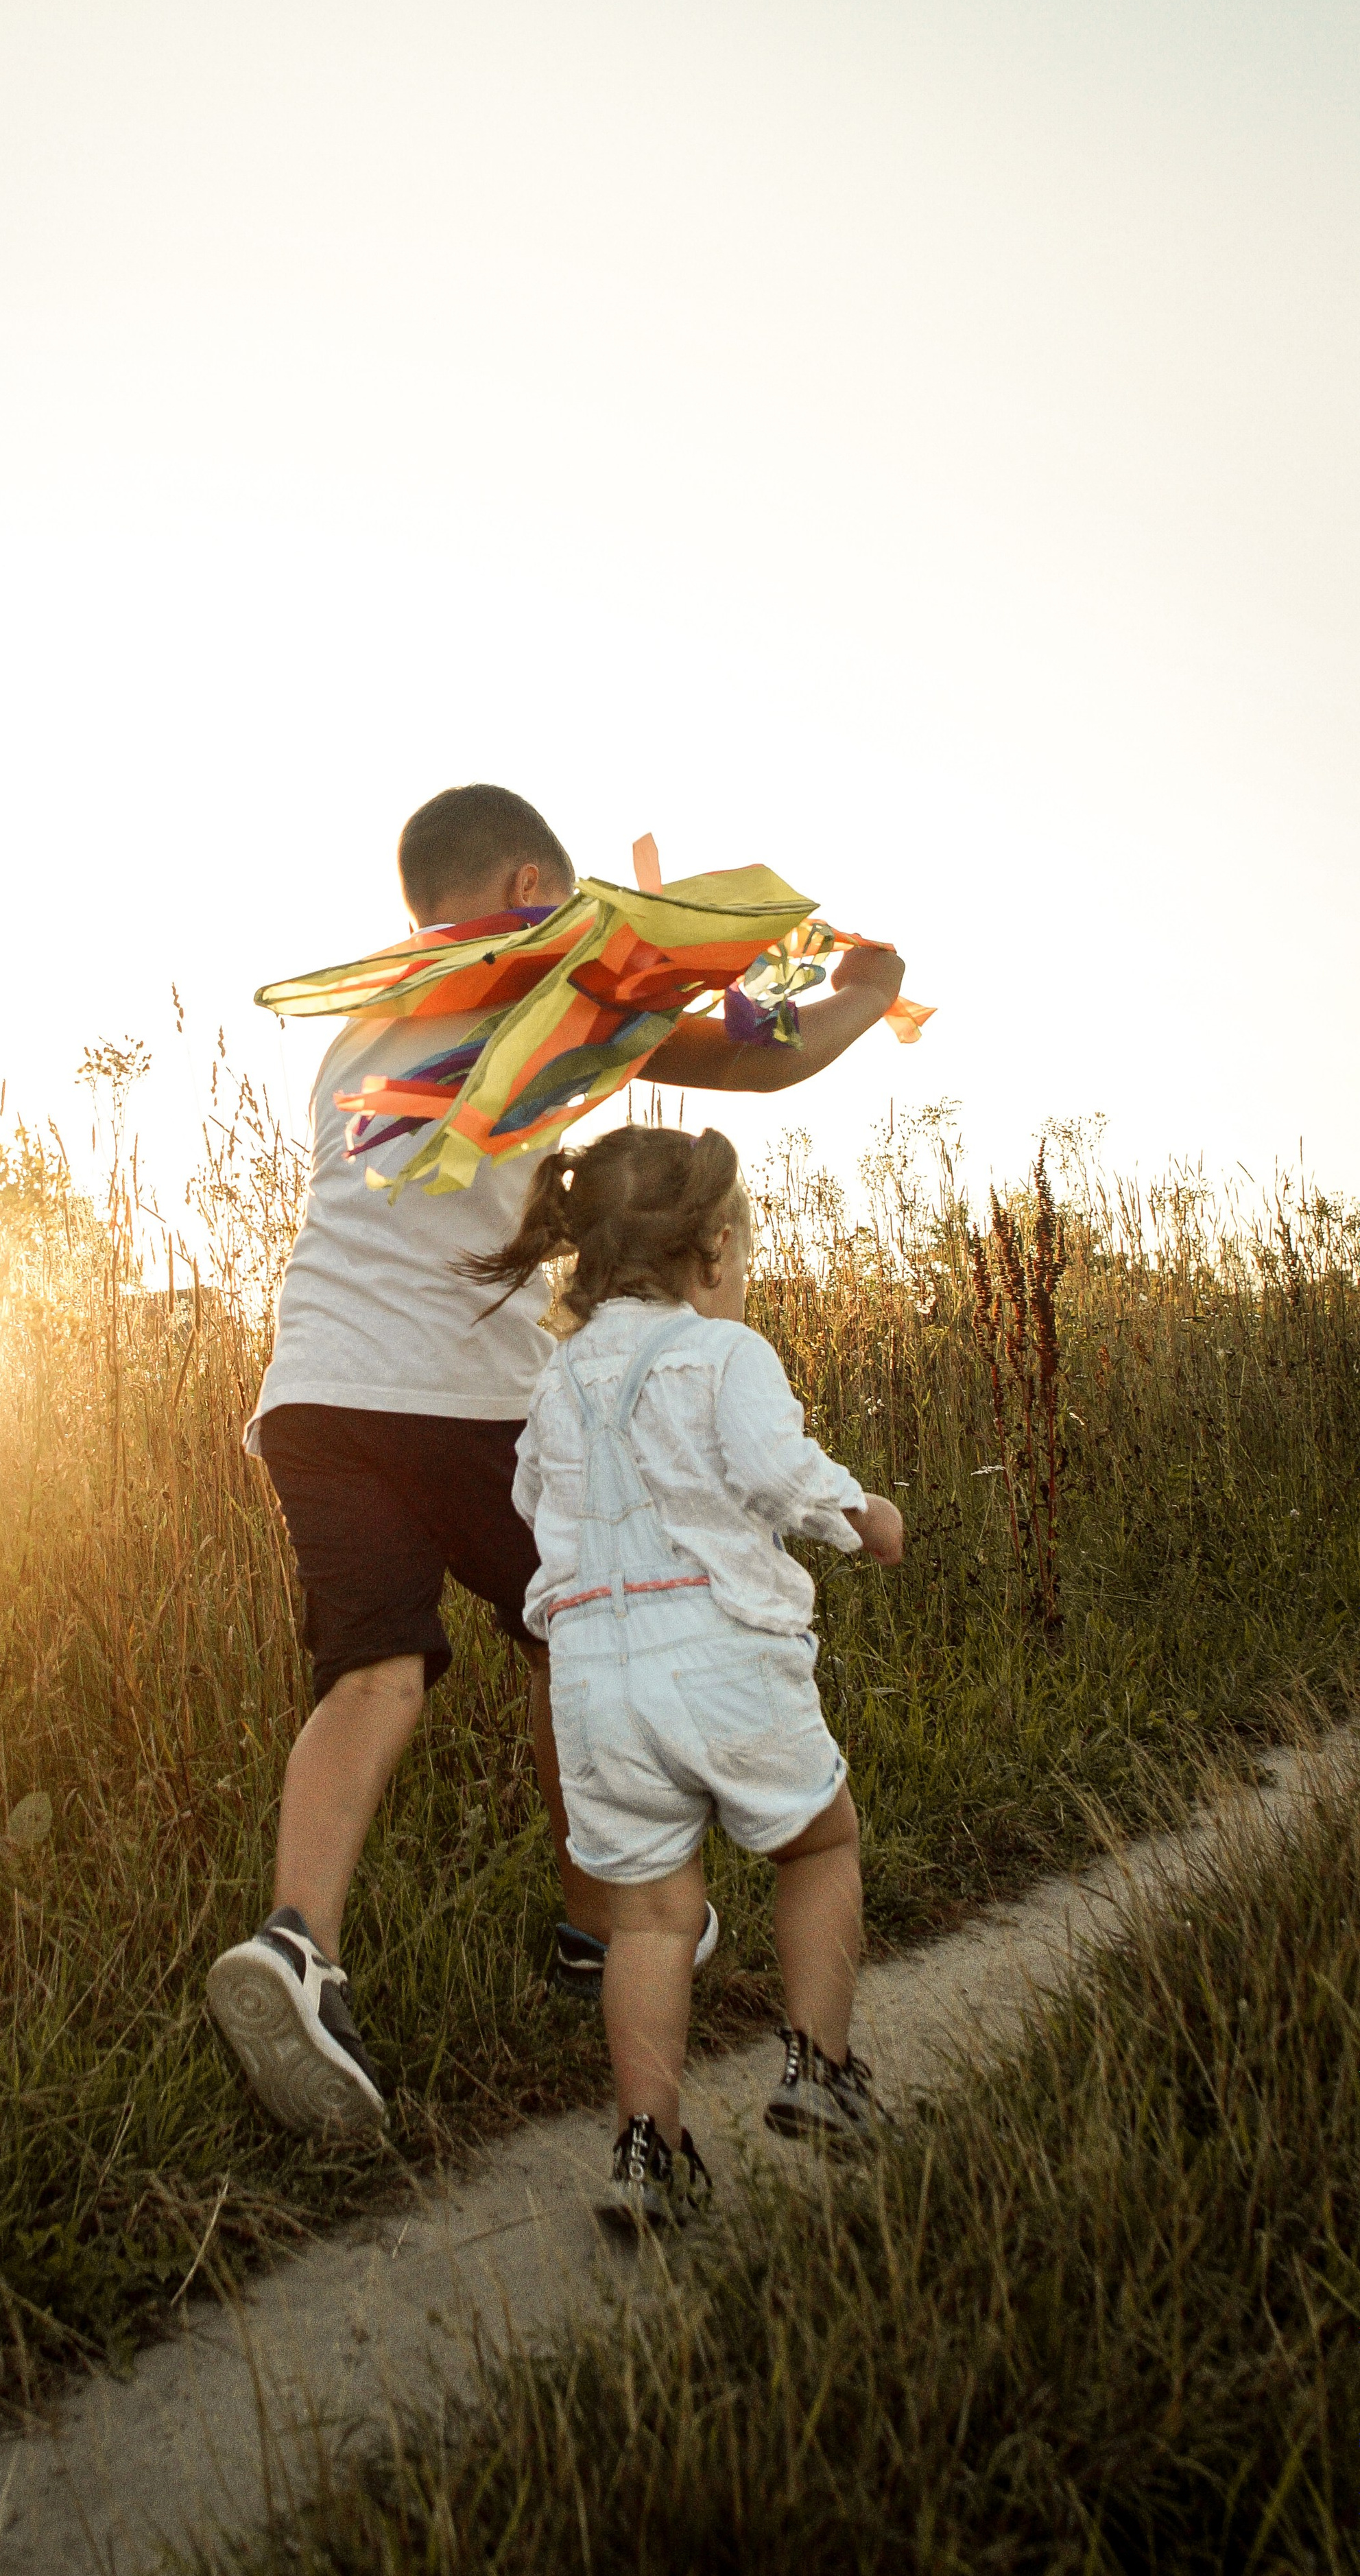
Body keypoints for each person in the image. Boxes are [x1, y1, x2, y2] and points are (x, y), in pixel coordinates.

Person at [206, 783, 907, 2140]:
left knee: (374, 1665)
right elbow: (749, 1050)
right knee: (575, 1635)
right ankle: (599, 1921)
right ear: (535, 891)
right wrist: (862, 986)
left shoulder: (365, 1025)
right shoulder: (551, 983)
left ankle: (298, 1946)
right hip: (467, 1400)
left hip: (315, 1391)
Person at [471, 1123, 905, 2223]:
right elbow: (774, 1470)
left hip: (595, 1687)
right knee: (822, 1838)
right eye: (745, 1258)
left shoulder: (559, 1375)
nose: (744, 1277)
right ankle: (822, 2068)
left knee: (653, 1920)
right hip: (722, 1659)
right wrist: (861, 1513)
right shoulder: (723, 1354)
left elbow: (531, 1502)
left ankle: (647, 2152)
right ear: (712, 1250)